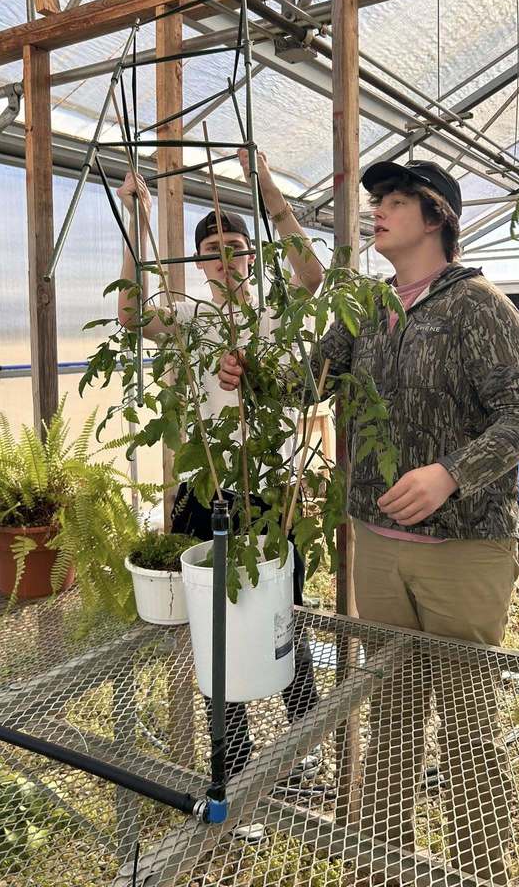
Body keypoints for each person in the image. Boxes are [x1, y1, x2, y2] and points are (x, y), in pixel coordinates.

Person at [220, 158, 519, 884]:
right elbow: (310, 382)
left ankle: (478, 871)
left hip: (462, 549)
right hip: (377, 544)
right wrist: (254, 377)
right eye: (376, 202)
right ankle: (382, 865)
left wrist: (449, 474)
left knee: (466, 723)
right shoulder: (368, 308)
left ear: (436, 217)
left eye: (395, 201)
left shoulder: (480, 306)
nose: (378, 212)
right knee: (391, 712)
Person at [116, 152, 325, 795]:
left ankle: (304, 743)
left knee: (278, 609)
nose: (227, 258)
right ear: (200, 263)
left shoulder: (274, 313)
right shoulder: (184, 319)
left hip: (266, 487)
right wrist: (135, 219)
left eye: (237, 247)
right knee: (214, 619)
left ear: (252, 257)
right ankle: (232, 757)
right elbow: (128, 313)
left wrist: (265, 183)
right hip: (202, 488)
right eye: (214, 249)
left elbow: (312, 271)